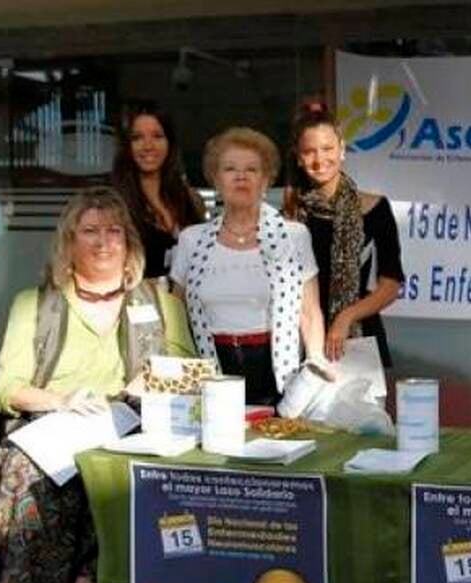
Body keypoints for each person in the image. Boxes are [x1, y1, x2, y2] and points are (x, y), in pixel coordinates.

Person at [0, 187, 195, 583]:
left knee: (119, 471)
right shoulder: (33, 304)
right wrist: (59, 402)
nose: (103, 242)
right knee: (22, 464)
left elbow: (188, 370)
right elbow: (6, 387)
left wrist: (148, 382)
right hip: (52, 421)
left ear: (129, 242)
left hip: (130, 420)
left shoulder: (163, 304)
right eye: (90, 231)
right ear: (69, 241)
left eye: (114, 231)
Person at [170, 127, 325, 406]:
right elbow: (176, 312)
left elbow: (310, 312)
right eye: (230, 169)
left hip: (276, 371)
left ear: (266, 179)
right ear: (216, 179)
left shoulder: (294, 236)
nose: (241, 176)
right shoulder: (191, 240)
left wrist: (315, 364)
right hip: (210, 369)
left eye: (252, 169)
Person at [287, 106, 404, 363]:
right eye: (309, 151)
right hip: (300, 342)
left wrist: (346, 317)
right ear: (298, 157)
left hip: (360, 339)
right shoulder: (290, 217)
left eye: (327, 148)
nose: (319, 159)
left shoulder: (375, 208)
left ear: (342, 149)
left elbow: (391, 285)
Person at [111, 106, 205, 279]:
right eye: (137, 138)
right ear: (127, 147)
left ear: (170, 143)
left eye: (157, 136)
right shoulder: (115, 205)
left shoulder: (191, 200)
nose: (148, 146)